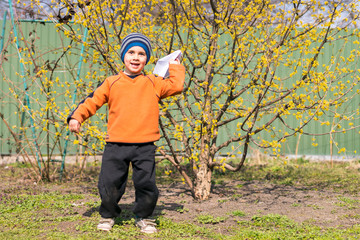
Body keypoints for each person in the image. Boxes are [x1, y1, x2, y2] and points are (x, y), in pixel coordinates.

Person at [67, 33, 185, 234]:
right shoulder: (111, 82)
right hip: (116, 145)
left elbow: (176, 86)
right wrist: (77, 117)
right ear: (123, 56)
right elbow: (91, 100)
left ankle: (144, 217)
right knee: (109, 183)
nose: (136, 57)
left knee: (146, 184)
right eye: (131, 52)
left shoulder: (153, 82)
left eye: (141, 53)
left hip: (144, 146)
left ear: (147, 59)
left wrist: (174, 65)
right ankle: (108, 215)